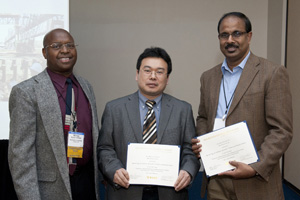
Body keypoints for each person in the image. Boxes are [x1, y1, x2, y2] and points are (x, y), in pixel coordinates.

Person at [192, 12, 293, 200]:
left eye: (237, 33)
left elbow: (282, 130)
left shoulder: (272, 73)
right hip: (217, 179)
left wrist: (255, 167)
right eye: (224, 35)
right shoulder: (208, 77)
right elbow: (203, 117)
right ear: (219, 39)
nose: (230, 40)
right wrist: (202, 143)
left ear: (249, 36)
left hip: (255, 181)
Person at [8, 28, 101, 200]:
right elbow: (21, 157)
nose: (65, 50)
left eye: (70, 45)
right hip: (49, 190)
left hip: (86, 183)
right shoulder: (26, 92)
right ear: (44, 52)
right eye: (56, 46)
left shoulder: (86, 86)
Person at [97, 47, 200, 200]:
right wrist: (114, 169)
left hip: (170, 192)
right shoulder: (114, 108)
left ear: (167, 78)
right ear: (137, 74)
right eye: (147, 71)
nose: (153, 76)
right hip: (125, 192)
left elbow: (190, 150)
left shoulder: (182, 110)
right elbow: (105, 148)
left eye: (159, 72)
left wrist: (188, 171)